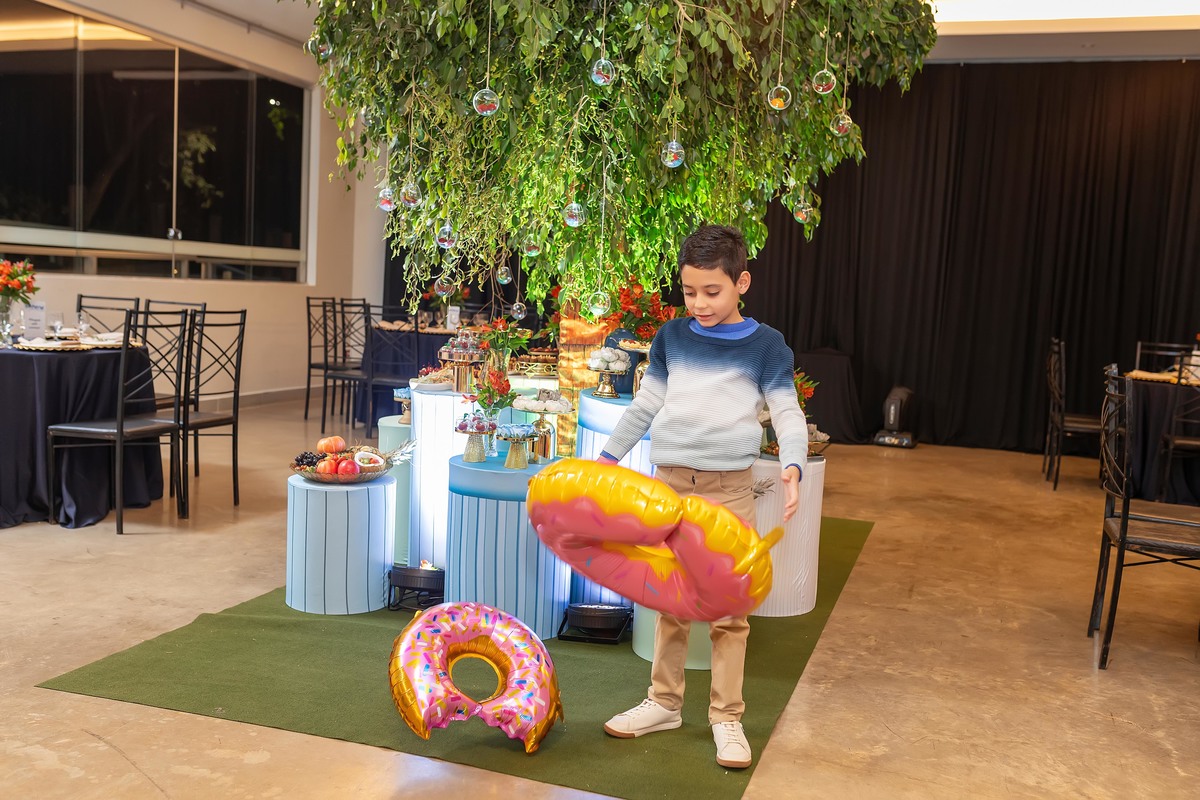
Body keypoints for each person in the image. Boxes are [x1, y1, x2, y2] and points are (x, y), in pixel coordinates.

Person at [597, 224, 808, 769]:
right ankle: (663, 703)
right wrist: (605, 461)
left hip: (729, 489)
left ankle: (726, 718)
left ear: (742, 282)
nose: (699, 304)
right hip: (669, 484)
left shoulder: (767, 346)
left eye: (712, 291)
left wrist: (792, 464)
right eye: (689, 292)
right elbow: (646, 406)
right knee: (669, 599)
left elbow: (786, 411)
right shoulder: (672, 337)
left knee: (729, 611)